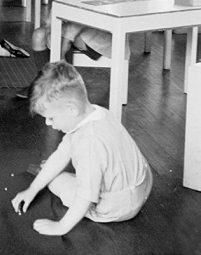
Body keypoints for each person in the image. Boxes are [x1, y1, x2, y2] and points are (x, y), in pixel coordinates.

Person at [11, 61, 152, 236]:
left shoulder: (88, 143)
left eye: (51, 118)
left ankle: (47, 174)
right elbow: (62, 154)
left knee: (55, 181)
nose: (48, 123)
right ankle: (48, 172)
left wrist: (60, 227)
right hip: (142, 186)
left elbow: (85, 197)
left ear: (72, 110)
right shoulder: (98, 113)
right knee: (55, 167)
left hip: (117, 207)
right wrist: (32, 190)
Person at [15, 0, 116, 100]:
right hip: (77, 31)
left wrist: (59, 38)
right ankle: (43, 81)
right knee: (39, 34)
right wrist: (50, 29)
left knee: (60, 36)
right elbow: (56, 12)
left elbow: (83, 15)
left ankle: (63, 87)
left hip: (101, 35)